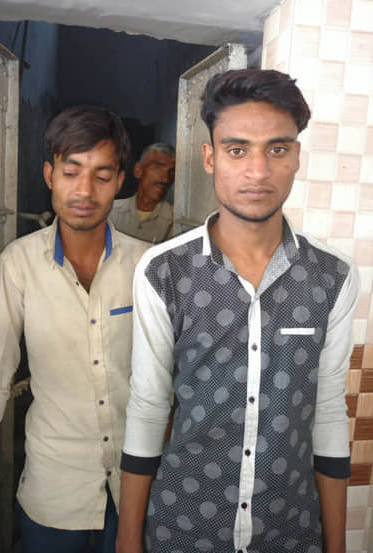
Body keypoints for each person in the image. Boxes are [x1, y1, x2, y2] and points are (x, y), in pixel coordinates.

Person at [116, 69, 360, 553]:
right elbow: (148, 407)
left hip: (290, 532)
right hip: (183, 529)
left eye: (277, 149)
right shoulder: (164, 272)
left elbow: (329, 412)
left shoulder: (332, 276)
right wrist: (128, 540)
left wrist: (336, 546)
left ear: (296, 156)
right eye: (237, 150)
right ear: (210, 158)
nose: (258, 172)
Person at [0, 105, 148, 553]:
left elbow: (169, 387)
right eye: (71, 171)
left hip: (137, 494)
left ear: (120, 182)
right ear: (50, 175)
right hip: (53, 493)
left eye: (102, 175)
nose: (85, 190)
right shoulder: (19, 264)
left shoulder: (147, 266)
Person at [110, 143, 175, 243]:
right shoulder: (111, 211)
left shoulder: (174, 220)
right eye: (158, 167)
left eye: (171, 172)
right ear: (138, 170)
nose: (166, 179)